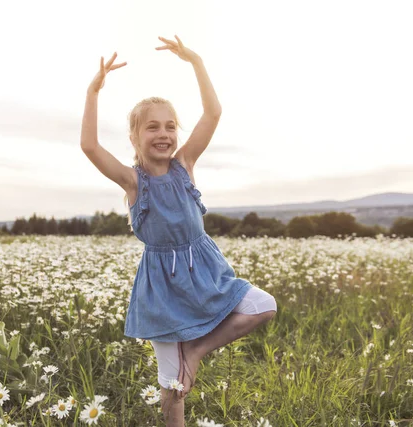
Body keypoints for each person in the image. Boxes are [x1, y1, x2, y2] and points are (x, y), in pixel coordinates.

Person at [81, 35, 277, 426]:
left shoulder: (185, 162)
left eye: (170, 126)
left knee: (263, 305)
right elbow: (89, 146)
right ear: (135, 137)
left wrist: (196, 61)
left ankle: (198, 350)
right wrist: (93, 91)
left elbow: (213, 112)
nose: (164, 134)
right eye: (152, 127)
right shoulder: (133, 182)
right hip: (162, 288)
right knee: (172, 386)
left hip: (205, 273)